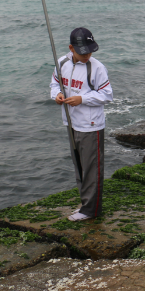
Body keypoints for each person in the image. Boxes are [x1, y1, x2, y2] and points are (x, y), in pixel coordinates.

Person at [50, 28, 113, 222]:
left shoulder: (97, 67)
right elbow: (54, 84)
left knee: (92, 169)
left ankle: (90, 210)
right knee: (79, 166)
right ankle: (86, 203)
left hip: (91, 125)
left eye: (90, 51)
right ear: (71, 48)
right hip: (71, 122)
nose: (87, 55)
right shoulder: (61, 63)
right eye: (83, 51)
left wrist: (81, 99)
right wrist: (57, 96)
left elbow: (107, 95)